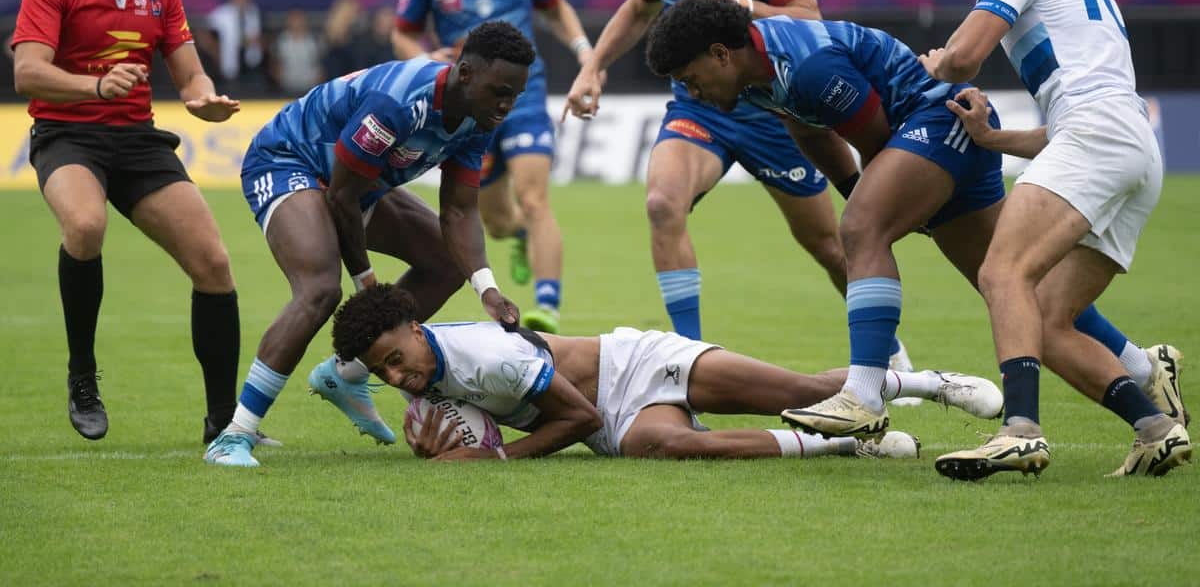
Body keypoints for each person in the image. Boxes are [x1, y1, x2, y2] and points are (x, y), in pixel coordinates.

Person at [642, 0, 1187, 476]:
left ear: (720, 54)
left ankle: (863, 394)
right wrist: (863, 187)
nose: (692, 91)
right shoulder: (757, 77)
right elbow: (808, 129)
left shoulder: (806, 65)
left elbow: (878, 138)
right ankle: (1149, 401)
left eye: (692, 79)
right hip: (938, 134)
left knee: (859, 228)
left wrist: (885, 204)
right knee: (1025, 300)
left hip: (936, 122)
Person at [919, 0, 1191, 479]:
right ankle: (1154, 426)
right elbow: (1073, 119)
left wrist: (938, 63)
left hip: (1099, 135)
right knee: (1043, 316)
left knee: (1001, 269)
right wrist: (994, 139)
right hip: (1130, 145)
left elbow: (963, 56)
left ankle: (1020, 431)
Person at [562, 0, 855, 349]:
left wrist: (737, 4)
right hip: (700, 112)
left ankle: (889, 348)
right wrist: (593, 66)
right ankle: (690, 357)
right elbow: (639, 8)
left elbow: (809, 18)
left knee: (829, 247)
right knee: (661, 204)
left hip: (773, 117)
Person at [204, 21, 531, 467]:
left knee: (448, 263)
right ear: (466, 72)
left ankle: (348, 373)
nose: (506, 105)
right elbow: (340, 195)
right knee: (320, 289)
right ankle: (235, 434)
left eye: (514, 95)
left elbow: (459, 211)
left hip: (358, 181)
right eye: (500, 91)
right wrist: (366, 282)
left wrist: (486, 287)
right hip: (289, 160)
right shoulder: (398, 103)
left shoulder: (480, 118)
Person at [11, 0, 243, 444]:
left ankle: (225, 423)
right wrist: (94, 87)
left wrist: (203, 99)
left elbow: (188, 69)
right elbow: (27, 71)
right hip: (67, 134)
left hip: (137, 138)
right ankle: (83, 376)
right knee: (85, 225)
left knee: (214, 265)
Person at [330, 284, 1009, 461]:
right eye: (382, 372)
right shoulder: (423, 366)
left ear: (419, 331)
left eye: (397, 358)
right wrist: (433, 435)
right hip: (609, 420)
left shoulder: (489, 357)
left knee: (799, 390)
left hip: (637, 365)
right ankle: (839, 441)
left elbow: (580, 417)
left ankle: (928, 384)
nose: (397, 378)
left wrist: (498, 455)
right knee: (676, 445)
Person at [393, 0, 596, 334]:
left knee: (535, 197)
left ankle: (548, 309)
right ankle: (519, 237)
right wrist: (426, 58)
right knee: (500, 221)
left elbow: (556, 7)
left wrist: (584, 50)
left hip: (523, 100)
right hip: (466, 111)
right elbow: (401, 33)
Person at [207, 0, 266, 92]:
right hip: (229, 65)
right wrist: (215, 51)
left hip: (252, 65)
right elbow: (204, 34)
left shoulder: (255, 12)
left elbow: (266, 37)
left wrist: (260, 42)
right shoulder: (221, 14)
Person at [271, 9, 323, 95]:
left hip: (309, 88)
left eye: (299, 19)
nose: (297, 23)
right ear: (288, 21)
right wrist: (279, 80)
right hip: (286, 88)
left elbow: (321, 64)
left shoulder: (314, 40)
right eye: (294, 20)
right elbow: (274, 63)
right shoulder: (281, 41)